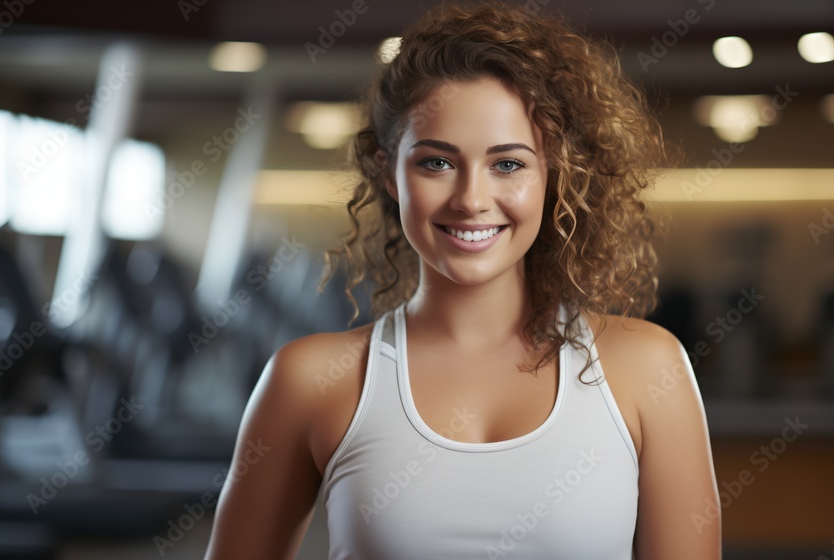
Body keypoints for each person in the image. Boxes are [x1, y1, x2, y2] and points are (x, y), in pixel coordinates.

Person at [204, 1, 721, 558]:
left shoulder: (648, 369)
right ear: (390, 175)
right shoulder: (309, 381)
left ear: (555, 177)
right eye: (437, 162)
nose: (472, 199)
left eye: (508, 164)